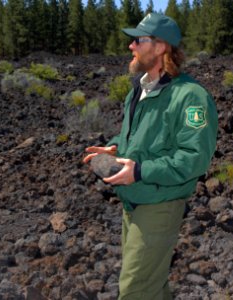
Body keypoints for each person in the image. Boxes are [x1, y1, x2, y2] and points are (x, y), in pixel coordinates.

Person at [83, 13, 218, 300]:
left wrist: (141, 171)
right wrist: (114, 148)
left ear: (160, 47)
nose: (131, 46)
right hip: (133, 203)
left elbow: (195, 158)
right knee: (153, 288)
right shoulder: (139, 91)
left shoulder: (190, 96)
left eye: (138, 40)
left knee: (135, 290)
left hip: (160, 203)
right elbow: (138, 138)